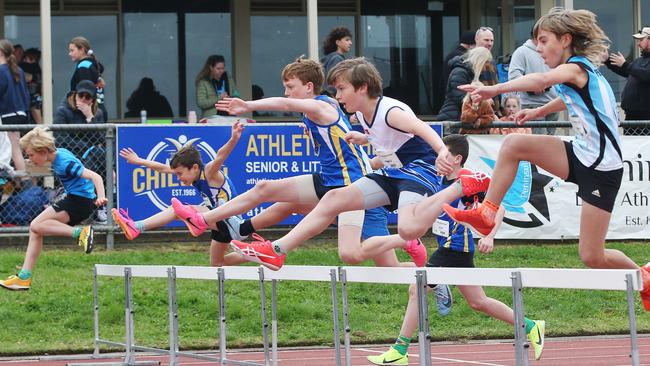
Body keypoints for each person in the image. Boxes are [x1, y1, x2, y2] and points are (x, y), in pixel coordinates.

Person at [444, 7, 650, 310]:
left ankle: (644, 278)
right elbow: (566, 96)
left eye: (543, 41)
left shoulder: (577, 68)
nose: (537, 49)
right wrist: (538, 112)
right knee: (514, 145)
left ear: (565, 39)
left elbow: (540, 80)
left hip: (602, 170)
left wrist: (494, 90)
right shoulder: (576, 74)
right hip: (581, 154)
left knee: (592, 256)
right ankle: (488, 211)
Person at [199, 57, 489, 272]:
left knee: (408, 230)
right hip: (393, 171)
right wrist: (364, 138)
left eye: (341, 89)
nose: (337, 97)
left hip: (420, 171)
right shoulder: (362, 115)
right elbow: (389, 143)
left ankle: (460, 187)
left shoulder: (391, 111)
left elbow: (422, 128)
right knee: (334, 198)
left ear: (362, 88)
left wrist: (441, 152)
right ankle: (277, 250)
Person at [367, 135, 545, 365]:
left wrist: (489, 236)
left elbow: (497, 209)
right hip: (453, 248)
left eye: (444, 155)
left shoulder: (466, 180)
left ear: (457, 158)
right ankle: (531, 326)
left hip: (455, 246)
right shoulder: (438, 181)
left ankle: (399, 350)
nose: (438, 158)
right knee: (478, 301)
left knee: (416, 288)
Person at [112, 122, 250, 267]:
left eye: (179, 174)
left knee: (177, 209)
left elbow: (220, 156)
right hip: (219, 223)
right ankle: (258, 253)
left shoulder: (210, 172)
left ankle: (136, 227)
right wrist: (139, 160)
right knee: (217, 263)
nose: (178, 178)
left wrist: (234, 138)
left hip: (229, 220)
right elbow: (162, 168)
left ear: (195, 167)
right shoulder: (194, 173)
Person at [0, 126, 106, 291]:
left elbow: (95, 176)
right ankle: (23, 278)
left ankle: (81, 233)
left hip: (80, 202)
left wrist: (101, 197)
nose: (30, 159)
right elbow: (39, 133)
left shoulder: (64, 163)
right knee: (35, 230)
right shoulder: (57, 154)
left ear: (43, 150)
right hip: (75, 199)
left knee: (35, 225)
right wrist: (40, 130)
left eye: (31, 155)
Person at [508, 33, 559, 135]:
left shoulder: (551, 50)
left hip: (553, 103)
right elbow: (513, 77)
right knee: (540, 143)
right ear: (537, 36)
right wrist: (531, 87)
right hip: (532, 104)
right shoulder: (521, 52)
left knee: (550, 143)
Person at [604, 27, 650, 135]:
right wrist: (607, 61)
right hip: (631, 116)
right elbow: (627, 71)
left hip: (646, 119)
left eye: (641, 40)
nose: (638, 43)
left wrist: (625, 65)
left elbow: (646, 75)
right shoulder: (639, 60)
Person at [437, 47, 493, 123]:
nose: (485, 70)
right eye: (485, 65)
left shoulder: (470, 73)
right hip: (453, 118)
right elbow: (460, 96)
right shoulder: (460, 72)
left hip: (460, 116)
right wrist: (483, 100)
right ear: (479, 61)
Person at [0, 39, 30, 173]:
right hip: (20, 113)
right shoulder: (18, 70)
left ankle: (26, 184)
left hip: (8, 115)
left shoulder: (2, 71)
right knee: (13, 149)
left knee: (14, 150)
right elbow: (26, 95)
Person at [68, 36, 106, 122]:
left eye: (72, 50)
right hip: (97, 111)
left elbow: (84, 93)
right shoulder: (91, 64)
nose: (69, 53)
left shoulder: (84, 67)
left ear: (82, 49)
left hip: (88, 114)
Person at [436, 30, 476, 111]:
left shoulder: (453, 55)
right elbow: (457, 86)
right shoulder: (462, 58)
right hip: (457, 104)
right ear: (471, 44)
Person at [320, 26, 353, 96]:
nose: (350, 43)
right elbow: (332, 82)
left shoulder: (330, 58)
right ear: (338, 42)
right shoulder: (337, 59)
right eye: (347, 40)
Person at [20, 47, 42, 124]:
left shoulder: (36, 70)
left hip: (34, 100)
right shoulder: (20, 68)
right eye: (25, 59)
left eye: (31, 59)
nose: (27, 61)